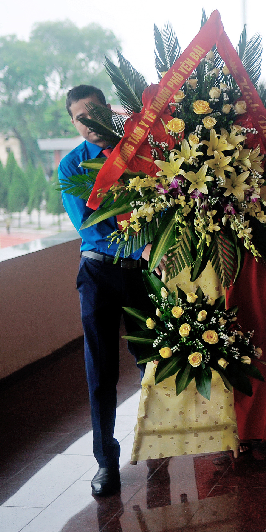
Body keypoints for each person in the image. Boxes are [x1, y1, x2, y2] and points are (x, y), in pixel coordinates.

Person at [59, 84, 150, 497]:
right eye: (82, 116)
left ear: (109, 111)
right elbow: (90, 227)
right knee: (101, 373)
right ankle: (105, 462)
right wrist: (144, 243)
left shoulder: (137, 152)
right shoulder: (72, 167)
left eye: (96, 112)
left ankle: (157, 441)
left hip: (141, 275)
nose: (91, 122)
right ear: (73, 122)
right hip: (98, 275)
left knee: (152, 359)